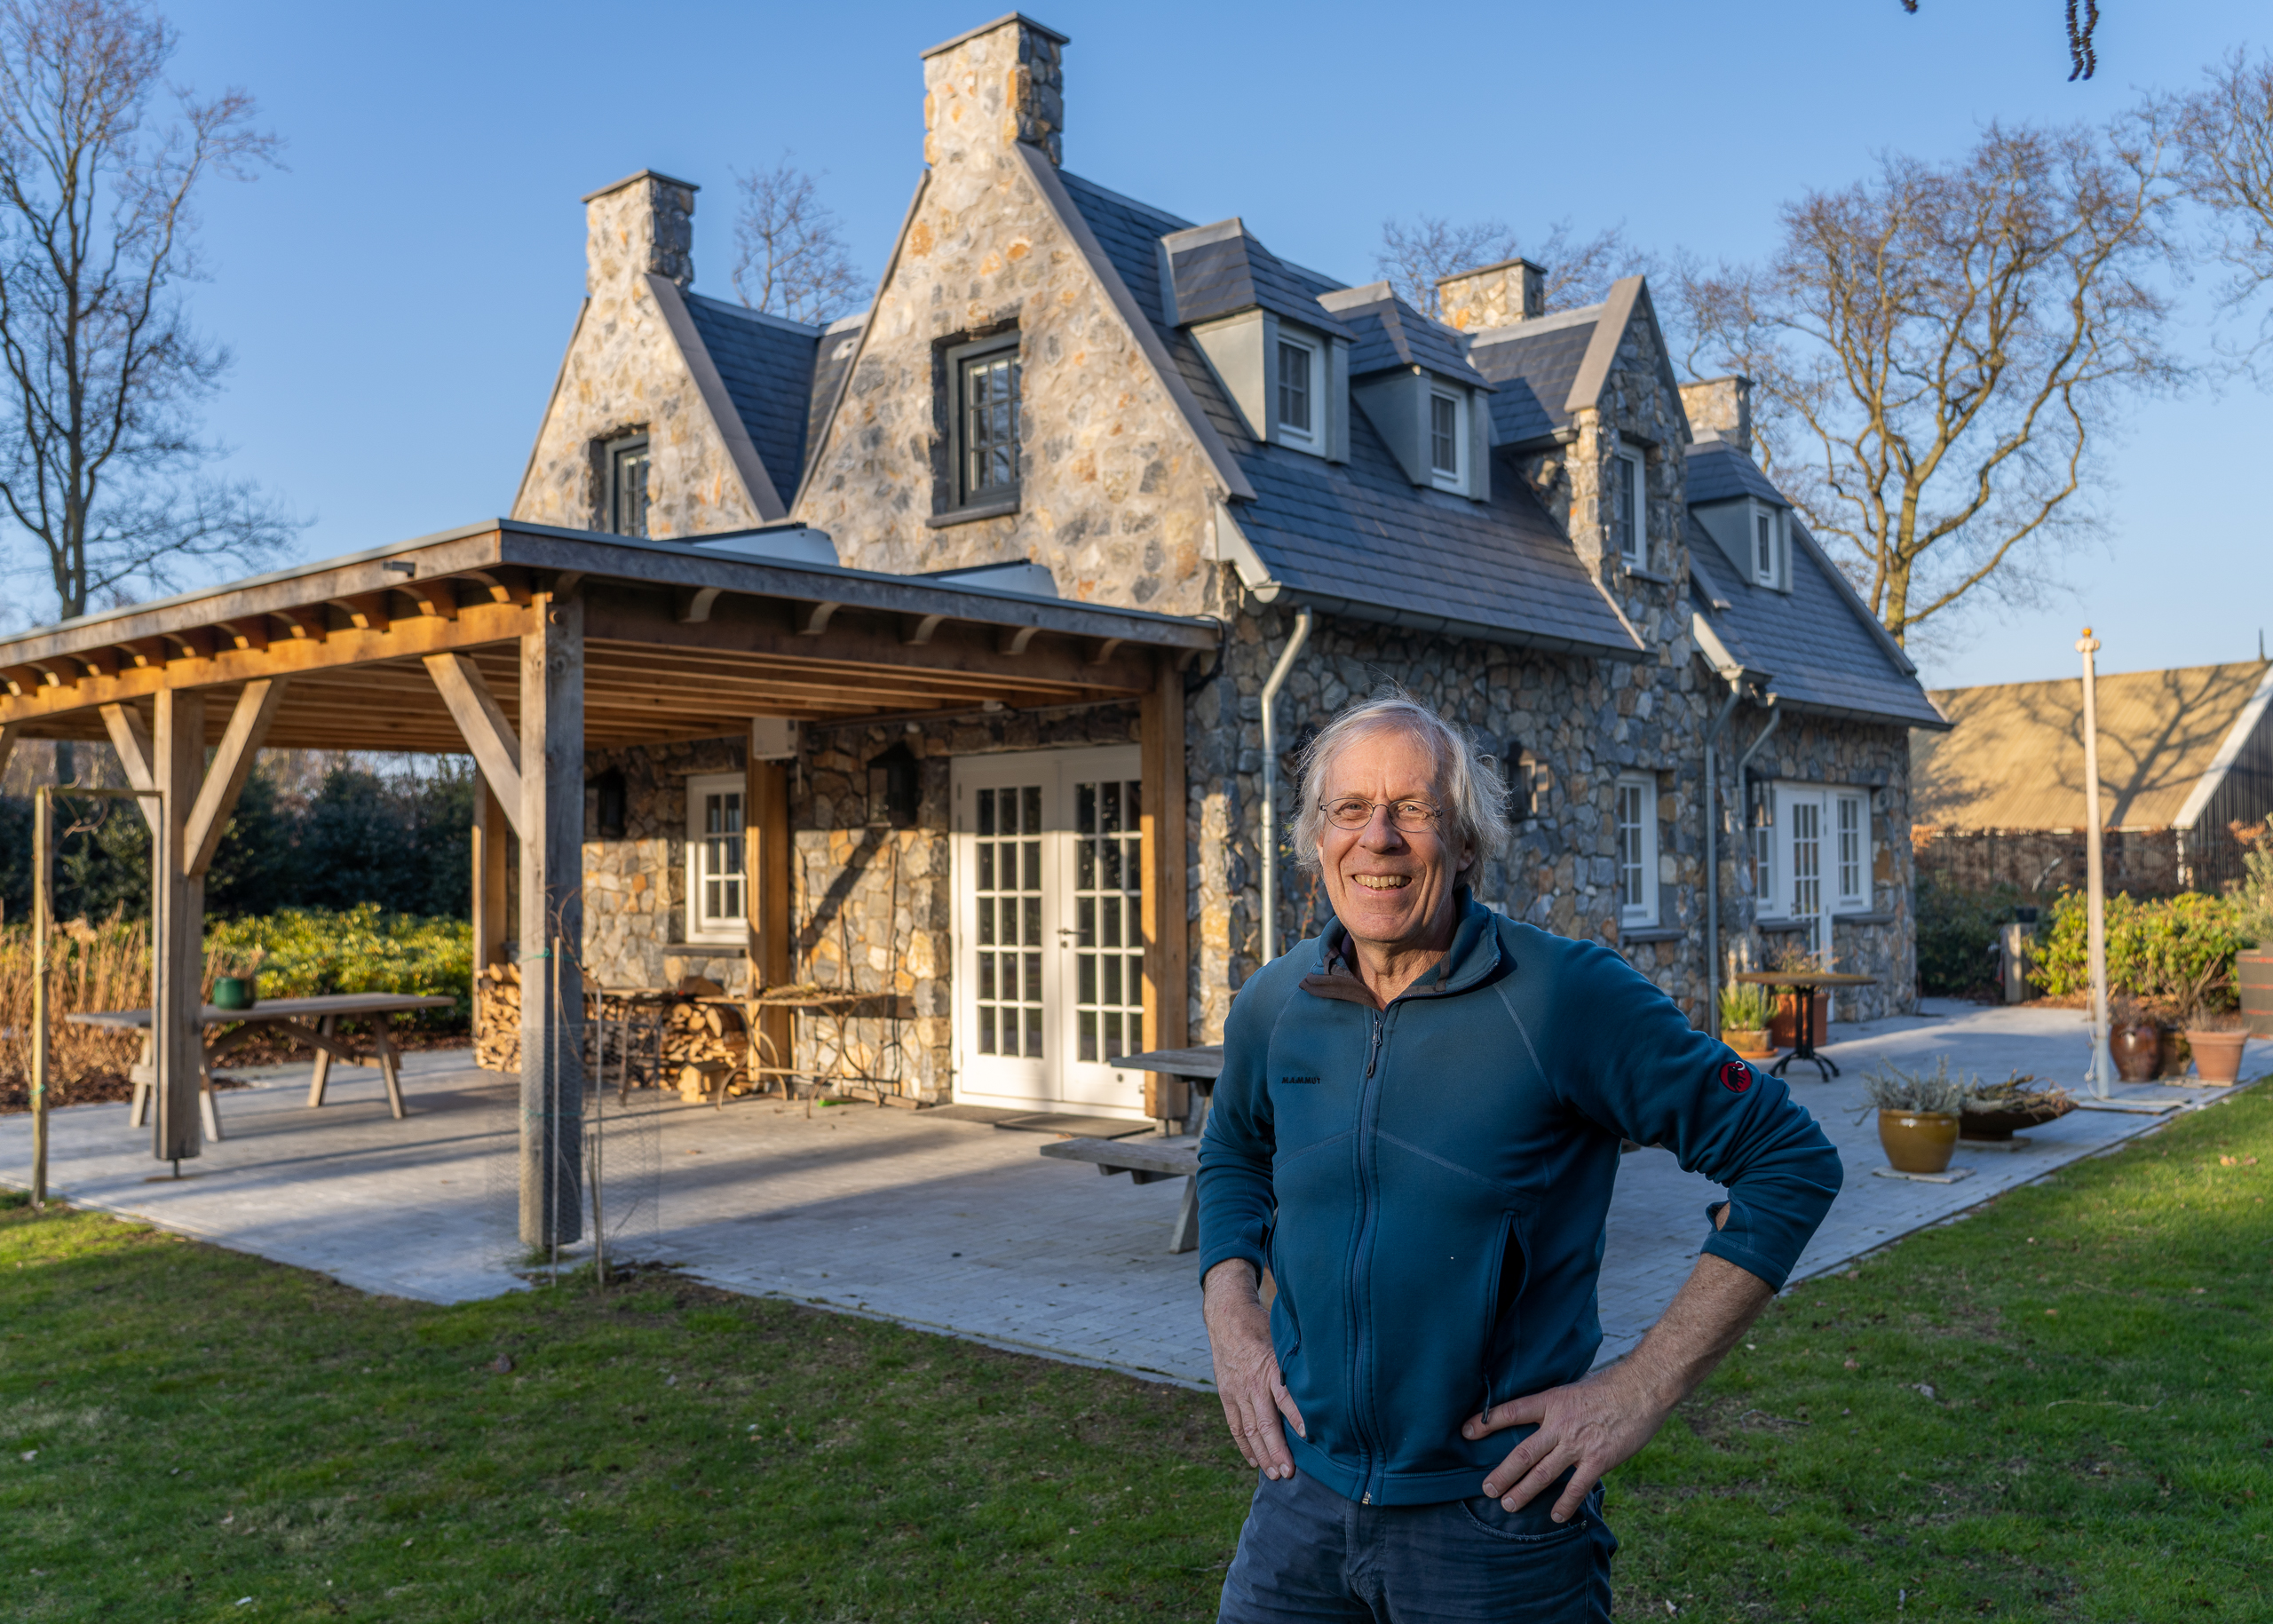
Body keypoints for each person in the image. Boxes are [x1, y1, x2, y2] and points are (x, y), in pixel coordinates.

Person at [1198, 693, 1843, 1622]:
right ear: (1315, 837)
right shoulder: (1275, 1002)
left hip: (1494, 1522)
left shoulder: (1561, 996)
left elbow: (1788, 1157)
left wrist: (1642, 1386)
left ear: (1465, 842)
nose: (1376, 837)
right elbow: (1231, 1149)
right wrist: (1230, 1309)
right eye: (1348, 809)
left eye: (1412, 809)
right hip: (1300, 1496)